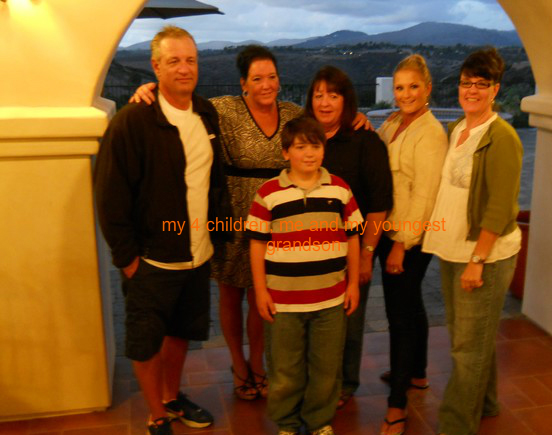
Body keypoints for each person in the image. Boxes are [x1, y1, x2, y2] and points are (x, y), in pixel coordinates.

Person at [130, 50, 371, 401]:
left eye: (271, 77)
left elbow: (323, 123)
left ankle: (258, 364)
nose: (266, 85)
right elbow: (181, 101)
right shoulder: (223, 109)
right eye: (257, 79)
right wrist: (149, 89)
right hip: (232, 211)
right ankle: (238, 364)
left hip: (279, 215)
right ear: (243, 83)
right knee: (231, 293)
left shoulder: (293, 113)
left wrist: (357, 117)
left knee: (265, 291)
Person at [94, 26, 230, 435]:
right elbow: (110, 197)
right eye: (174, 61)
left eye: (190, 60)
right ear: (155, 67)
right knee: (146, 341)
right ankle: (156, 418)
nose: (184, 68)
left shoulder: (206, 113)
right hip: (152, 260)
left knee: (181, 332)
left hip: (197, 254)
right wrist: (128, 259)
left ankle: (171, 398)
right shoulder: (133, 122)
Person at [422, 47, 523, 435]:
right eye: (467, 83)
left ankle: (457, 424)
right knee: (470, 335)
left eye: (482, 84)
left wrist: (477, 261)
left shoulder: (502, 137)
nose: (472, 90)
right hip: (451, 247)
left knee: (467, 344)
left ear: (495, 89)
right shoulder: (458, 128)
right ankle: (487, 402)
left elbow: (500, 207)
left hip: (484, 255)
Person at [247, 116, 362, 435]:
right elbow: (256, 244)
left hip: (330, 300)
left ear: (324, 150)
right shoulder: (269, 194)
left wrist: (353, 284)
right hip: (284, 302)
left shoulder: (340, 189)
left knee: (326, 366)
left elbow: (353, 238)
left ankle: (319, 421)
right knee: (285, 367)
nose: (309, 153)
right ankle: (286, 423)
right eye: (300, 147)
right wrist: (260, 291)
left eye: (315, 146)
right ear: (286, 153)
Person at [304, 66, 393, 409]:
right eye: (319, 95)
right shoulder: (302, 138)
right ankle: (315, 379)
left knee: (349, 322)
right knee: (313, 321)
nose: (325, 103)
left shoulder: (365, 141)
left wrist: (367, 254)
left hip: (351, 252)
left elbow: (379, 205)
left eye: (333, 95)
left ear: (346, 100)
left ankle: (344, 384)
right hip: (307, 251)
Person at [376, 55, 448, 435]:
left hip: (410, 237)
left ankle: (397, 404)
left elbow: (424, 196)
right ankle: (416, 372)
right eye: (400, 88)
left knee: (399, 316)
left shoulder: (430, 133)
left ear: (428, 88)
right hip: (388, 229)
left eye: (413, 87)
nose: (406, 94)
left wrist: (401, 245)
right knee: (411, 304)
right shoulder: (394, 123)